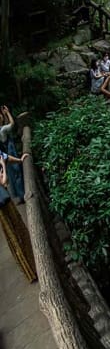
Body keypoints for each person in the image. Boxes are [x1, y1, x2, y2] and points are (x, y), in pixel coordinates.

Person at [0, 150, 36, 282]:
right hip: (3, 205)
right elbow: (4, 182)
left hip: (6, 202)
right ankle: (31, 270)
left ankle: (31, 268)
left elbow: (5, 156)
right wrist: (3, 166)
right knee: (15, 234)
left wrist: (20, 160)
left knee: (16, 233)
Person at [0, 107, 24, 203]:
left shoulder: (1, 129)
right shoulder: (2, 130)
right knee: (17, 172)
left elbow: (6, 125)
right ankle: (22, 195)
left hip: (7, 152)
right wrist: (8, 113)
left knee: (12, 174)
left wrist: (5, 114)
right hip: (10, 151)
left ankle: (19, 195)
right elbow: (12, 125)